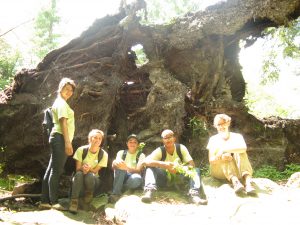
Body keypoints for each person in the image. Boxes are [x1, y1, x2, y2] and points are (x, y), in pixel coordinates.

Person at [141, 129, 208, 205]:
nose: (168, 139)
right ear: (163, 140)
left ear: (174, 138)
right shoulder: (160, 150)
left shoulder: (181, 148)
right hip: (164, 179)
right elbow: (145, 162)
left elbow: (191, 164)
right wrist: (164, 165)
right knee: (150, 168)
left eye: (170, 137)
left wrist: (179, 169)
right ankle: (149, 192)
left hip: (180, 178)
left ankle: (194, 195)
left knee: (196, 170)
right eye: (165, 138)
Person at [40, 77, 76, 210]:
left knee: (51, 170)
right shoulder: (61, 103)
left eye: (71, 90)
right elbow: (63, 122)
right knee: (56, 171)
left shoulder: (61, 103)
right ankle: (54, 202)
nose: (69, 92)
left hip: (58, 138)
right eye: (66, 89)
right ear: (60, 88)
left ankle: (44, 201)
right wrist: (67, 142)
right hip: (60, 138)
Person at [206, 113, 256, 195]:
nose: (221, 127)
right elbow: (211, 160)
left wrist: (223, 150)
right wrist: (221, 157)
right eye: (218, 124)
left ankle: (248, 182)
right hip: (219, 171)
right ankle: (235, 181)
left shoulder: (237, 136)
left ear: (228, 123)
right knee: (225, 155)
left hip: (237, 170)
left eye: (223, 123)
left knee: (241, 153)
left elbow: (243, 148)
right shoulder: (213, 139)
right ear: (215, 126)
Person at [69, 129, 108, 213]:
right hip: (80, 180)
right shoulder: (81, 150)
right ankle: (74, 202)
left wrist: (89, 169)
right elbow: (77, 169)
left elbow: (95, 171)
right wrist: (83, 168)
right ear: (90, 139)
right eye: (95, 137)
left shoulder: (103, 154)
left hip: (93, 181)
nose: (97, 140)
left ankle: (89, 194)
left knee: (90, 175)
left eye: (100, 138)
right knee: (79, 174)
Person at [109, 134, 145, 203]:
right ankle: (115, 194)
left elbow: (138, 170)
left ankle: (122, 188)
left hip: (132, 177)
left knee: (137, 178)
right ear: (127, 144)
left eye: (135, 142)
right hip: (121, 175)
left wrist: (126, 167)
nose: (132, 144)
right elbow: (116, 166)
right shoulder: (121, 153)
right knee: (120, 168)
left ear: (138, 145)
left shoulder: (141, 155)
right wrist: (114, 163)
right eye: (130, 142)